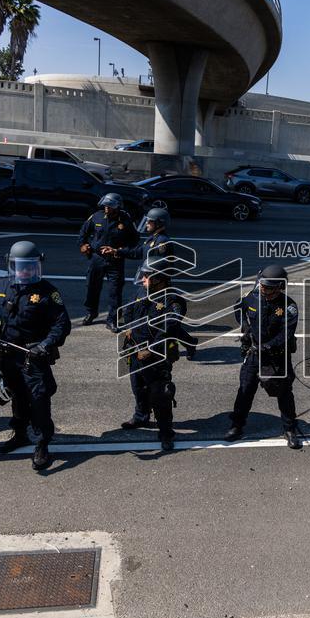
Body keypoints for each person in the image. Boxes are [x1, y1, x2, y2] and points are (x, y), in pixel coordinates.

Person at [0, 241, 71, 470]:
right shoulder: (0, 285)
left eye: (31, 266)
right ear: (11, 265)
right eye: (20, 266)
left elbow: (62, 325)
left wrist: (45, 345)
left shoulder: (47, 292)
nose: (26, 271)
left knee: (39, 399)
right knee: (16, 395)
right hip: (8, 353)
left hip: (33, 356)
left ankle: (42, 443)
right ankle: (19, 434)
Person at [227, 265, 301, 449]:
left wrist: (268, 346)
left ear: (279, 287)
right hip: (254, 354)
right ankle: (237, 425)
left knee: (284, 393)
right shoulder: (251, 298)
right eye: (262, 285)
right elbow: (238, 306)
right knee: (245, 390)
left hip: (277, 357)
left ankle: (290, 429)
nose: (263, 289)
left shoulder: (289, 306)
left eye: (268, 287)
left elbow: (286, 334)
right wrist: (245, 326)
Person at [119, 258, 184, 450]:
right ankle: (141, 416)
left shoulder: (173, 301)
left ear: (159, 278)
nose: (143, 279)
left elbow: (169, 328)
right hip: (136, 351)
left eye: (147, 276)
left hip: (157, 356)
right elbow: (128, 310)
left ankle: (166, 432)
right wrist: (128, 327)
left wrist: (150, 349)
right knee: (138, 386)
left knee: (160, 394)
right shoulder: (141, 292)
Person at [119, 207, 197, 358]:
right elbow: (139, 252)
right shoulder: (152, 239)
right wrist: (118, 251)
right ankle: (189, 342)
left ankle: (184, 344)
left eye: (150, 221)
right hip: (148, 282)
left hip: (157, 286)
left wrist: (154, 282)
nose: (147, 224)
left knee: (163, 321)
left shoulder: (162, 243)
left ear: (159, 223)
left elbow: (163, 268)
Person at [78, 193, 139, 329]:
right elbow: (83, 233)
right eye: (105, 206)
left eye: (110, 206)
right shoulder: (97, 216)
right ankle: (91, 313)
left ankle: (113, 319)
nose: (106, 208)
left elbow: (134, 240)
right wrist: (83, 245)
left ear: (117, 207)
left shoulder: (126, 219)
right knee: (92, 287)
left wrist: (120, 250)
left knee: (115, 291)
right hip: (97, 259)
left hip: (115, 260)